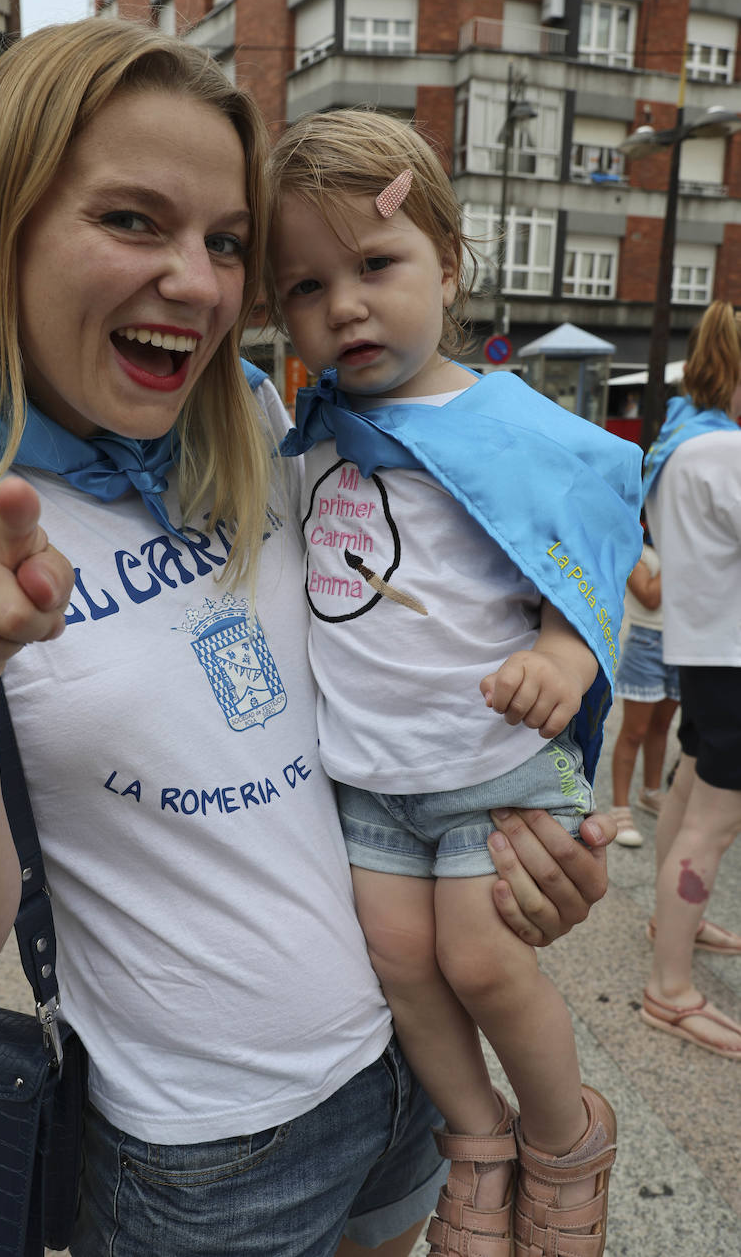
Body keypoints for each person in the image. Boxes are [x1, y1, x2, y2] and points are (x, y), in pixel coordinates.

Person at [0, 19, 617, 1257]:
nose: (198, 284)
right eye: (133, 221)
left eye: (228, 243)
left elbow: (421, 637)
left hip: (413, 1054)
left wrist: (522, 847)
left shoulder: (251, 418)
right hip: (205, 1150)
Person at [267, 109, 642, 1257]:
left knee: (479, 959)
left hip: (493, 774)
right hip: (371, 781)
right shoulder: (307, 434)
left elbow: (582, 565)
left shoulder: (513, 426)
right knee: (399, 966)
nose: (344, 306)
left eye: (375, 264)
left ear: (448, 262)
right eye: (303, 286)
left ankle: (563, 1136)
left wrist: (562, 657)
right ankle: (472, 1142)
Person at [640, 300, 741, 1057]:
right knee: (713, 822)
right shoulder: (725, 453)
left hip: (702, 646)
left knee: (687, 787)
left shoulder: (682, 442)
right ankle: (669, 991)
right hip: (732, 652)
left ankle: (670, 921)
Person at [608, 531, 680, 847]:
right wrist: (682, 558)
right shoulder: (637, 550)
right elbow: (649, 596)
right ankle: (619, 807)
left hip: (683, 644)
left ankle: (650, 793)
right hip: (646, 644)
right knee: (634, 731)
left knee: (662, 728)